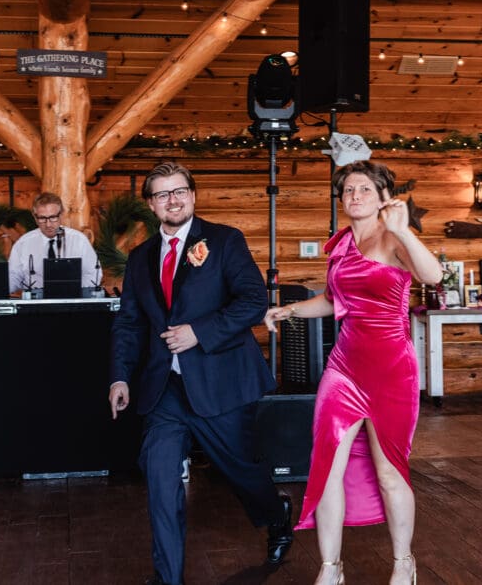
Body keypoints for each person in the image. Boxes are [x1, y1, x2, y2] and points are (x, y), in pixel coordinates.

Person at [108, 162, 293, 585]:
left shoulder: (225, 241)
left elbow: (252, 301)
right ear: (151, 204)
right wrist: (119, 376)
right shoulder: (139, 258)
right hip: (165, 390)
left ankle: (275, 513)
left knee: (242, 472)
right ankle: (167, 578)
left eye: (179, 191)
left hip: (221, 382)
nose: (172, 200)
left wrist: (199, 332)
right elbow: (129, 323)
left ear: (192, 195)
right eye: (162, 194)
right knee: (160, 478)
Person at [264, 160, 442, 585]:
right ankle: (331, 568)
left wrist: (403, 230)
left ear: (383, 197)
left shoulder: (393, 239)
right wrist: (290, 310)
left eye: (364, 189)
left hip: (390, 370)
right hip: (343, 369)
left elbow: (433, 275)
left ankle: (404, 563)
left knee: (389, 470)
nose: (354, 195)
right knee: (327, 467)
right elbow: (333, 300)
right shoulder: (342, 244)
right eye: (348, 190)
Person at [7, 192, 100, 295]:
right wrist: (1, 290)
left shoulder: (79, 240)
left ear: (61, 215)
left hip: (73, 298)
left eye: (53, 217)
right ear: (35, 217)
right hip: (36, 300)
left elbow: (93, 274)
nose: (48, 224)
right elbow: (13, 276)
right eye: (42, 218)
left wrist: (71, 289)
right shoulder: (23, 243)